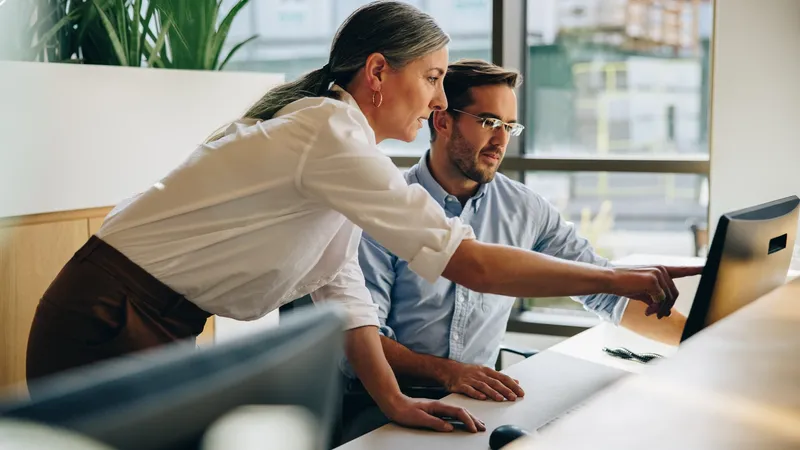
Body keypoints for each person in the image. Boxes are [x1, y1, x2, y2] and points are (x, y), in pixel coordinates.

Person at [25, 1, 699, 435]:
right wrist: (621, 281)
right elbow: (468, 262)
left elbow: (341, 290)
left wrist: (395, 403)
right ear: (379, 71)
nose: (438, 98)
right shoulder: (330, 136)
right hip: (108, 313)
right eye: (433, 77)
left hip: (151, 316)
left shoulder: (343, 152)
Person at [336, 59, 691, 441]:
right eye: (489, 122)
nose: (502, 141)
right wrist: (451, 372)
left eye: (509, 126)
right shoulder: (385, 206)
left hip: (479, 401)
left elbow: (607, 292)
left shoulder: (525, 208)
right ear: (442, 121)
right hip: (384, 401)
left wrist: (697, 343)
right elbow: (363, 336)